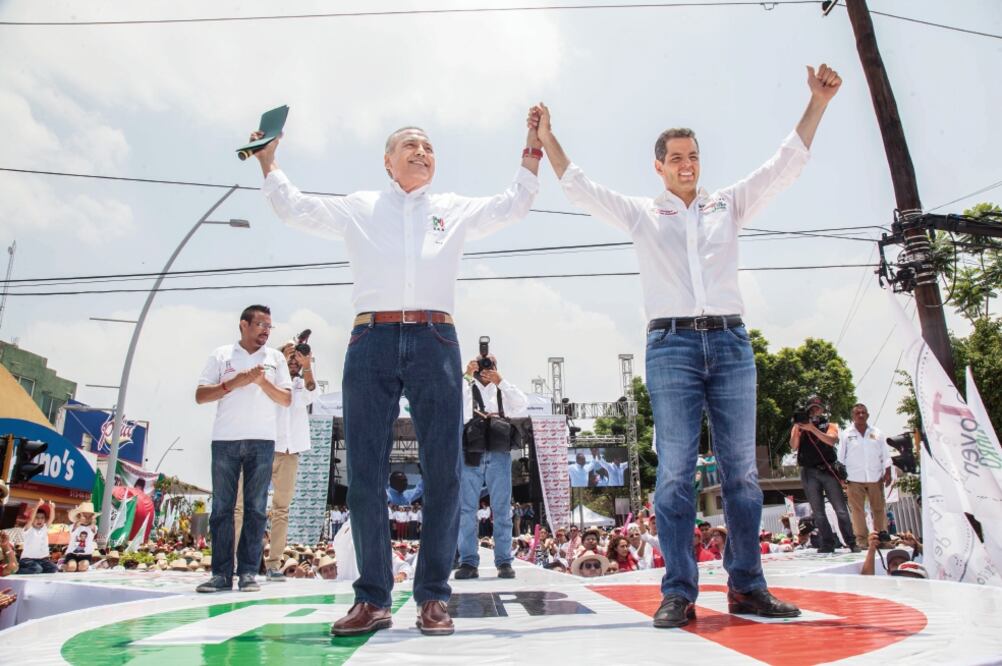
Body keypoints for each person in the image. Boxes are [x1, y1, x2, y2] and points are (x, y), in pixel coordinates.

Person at [533, 61, 842, 628]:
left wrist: (817, 103)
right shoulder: (641, 212)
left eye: (693, 156)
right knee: (674, 473)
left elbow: (783, 167)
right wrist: (548, 137)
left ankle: (748, 587)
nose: (686, 165)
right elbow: (578, 185)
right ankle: (678, 591)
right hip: (670, 347)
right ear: (658, 166)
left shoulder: (728, 203)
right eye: (676, 157)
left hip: (731, 343)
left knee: (742, 474)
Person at [256, 112, 542, 638]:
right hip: (372, 340)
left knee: (445, 473)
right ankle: (373, 599)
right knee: (363, 473)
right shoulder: (360, 206)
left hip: (436, 340)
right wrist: (269, 161)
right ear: (388, 161)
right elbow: (294, 207)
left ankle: (433, 597)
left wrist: (531, 148)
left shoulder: (451, 210)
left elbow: (514, 204)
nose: (422, 153)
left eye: (429, 147)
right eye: (411, 145)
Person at [195, 304, 293, 593]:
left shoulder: (275, 359)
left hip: (263, 441)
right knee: (223, 509)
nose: (265, 330)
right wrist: (234, 383)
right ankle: (221, 574)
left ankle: (248, 572)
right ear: (244, 324)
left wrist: (261, 382)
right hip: (225, 440)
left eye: (269, 326)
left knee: (255, 508)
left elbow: (286, 399)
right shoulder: (222, 355)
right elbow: (200, 395)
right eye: (261, 324)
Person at [235, 340, 318, 581]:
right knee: (241, 507)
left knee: (281, 509)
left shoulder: (302, 385)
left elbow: (312, 394)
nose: (293, 360)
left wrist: (308, 365)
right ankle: (232, 560)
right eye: (288, 356)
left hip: (289, 451)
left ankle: (273, 564)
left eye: (296, 357)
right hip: (261, 445)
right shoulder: (264, 380)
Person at [455, 353, 528, 581]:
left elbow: (522, 406)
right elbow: (451, 401)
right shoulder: (467, 386)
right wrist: (466, 375)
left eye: (490, 364)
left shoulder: (502, 389)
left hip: (498, 452)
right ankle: (468, 561)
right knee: (467, 510)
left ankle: (504, 560)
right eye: (482, 364)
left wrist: (501, 381)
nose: (486, 368)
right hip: (472, 452)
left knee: (502, 509)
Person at [791, 396, 856, 553]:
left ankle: (851, 542)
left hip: (827, 471)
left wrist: (812, 429)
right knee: (818, 512)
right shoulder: (799, 426)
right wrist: (798, 428)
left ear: (822, 410)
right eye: (811, 408)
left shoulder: (830, 424)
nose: (814, 411)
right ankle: (827, 543)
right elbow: (793, 446)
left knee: (840, 509)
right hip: (808, 472)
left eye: (817, 408)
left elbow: (832, 440)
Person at [838, 403, 892, 549]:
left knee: (879, 508)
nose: (861, 415)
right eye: (857, 413)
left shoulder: (877, 433)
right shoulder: (846, 434)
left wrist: (888, 472)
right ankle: (862, 540)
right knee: (858, 510)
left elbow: (885, 455)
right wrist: (841, 477)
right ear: (853, 416)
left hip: (875, 477)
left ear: (867, 415)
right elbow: (841, 458)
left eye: (863, 413)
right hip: (854, 478)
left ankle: (882, 538)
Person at [18, 499, 56, 574]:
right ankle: (17, 570)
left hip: (42, 560)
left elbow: (51, 519)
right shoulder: (28, 528)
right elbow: (31, 519)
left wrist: (52, 508)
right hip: (27, 559)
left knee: (53, 568)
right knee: (36, 569)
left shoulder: (44, 528)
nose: (39, 520)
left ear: (45, 520)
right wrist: (37, 505)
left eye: (42, 518)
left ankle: (40, 571)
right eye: (37, 517)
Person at [65, 501, 98, 572]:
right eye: (85, 516)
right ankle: (65, 567)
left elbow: (93, 528)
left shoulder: (93, 527)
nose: (87, 518)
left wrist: (92, 521)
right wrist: (80, 520)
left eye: (89, 516)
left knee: (84, 566)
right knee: (72, 567)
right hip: (72, 554)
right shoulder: (73, 526)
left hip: (86, 555)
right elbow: (74, 527)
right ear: (79, 516)